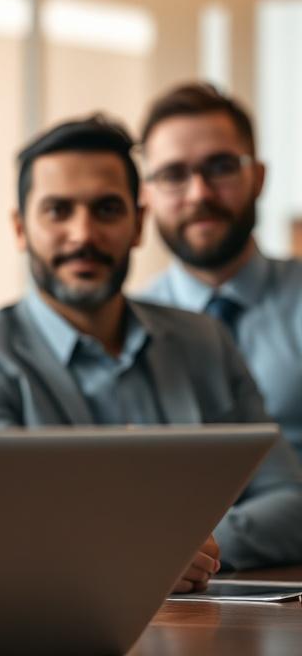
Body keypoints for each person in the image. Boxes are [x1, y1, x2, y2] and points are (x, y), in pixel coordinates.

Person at [0, 115, 302, 580]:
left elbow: (290, 500)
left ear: (139, 223)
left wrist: (192, 546)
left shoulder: (204, 341)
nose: (83, 235)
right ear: (20, 228)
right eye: (58, 211)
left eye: (106, 209)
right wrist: (149, 549)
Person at [137, 82, 302, 463]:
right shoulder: (124, 330)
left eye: (221, 167)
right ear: (146, 195)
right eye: (173, 174)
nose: (199, 193)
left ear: (258, 177)